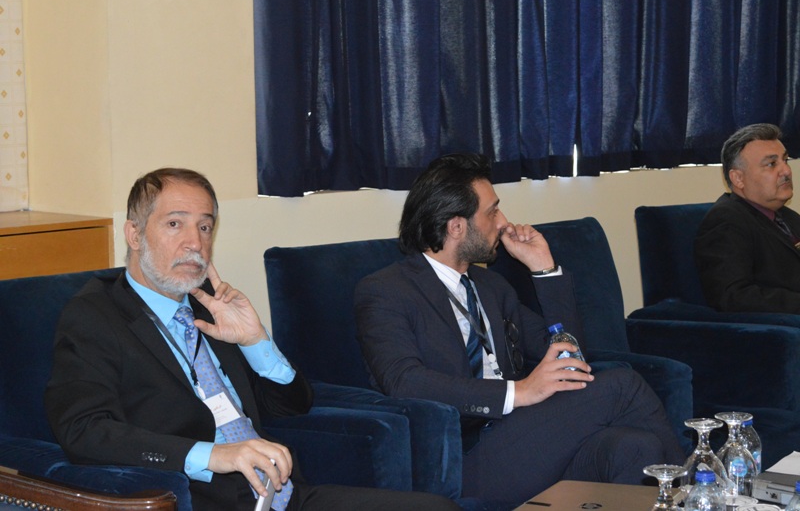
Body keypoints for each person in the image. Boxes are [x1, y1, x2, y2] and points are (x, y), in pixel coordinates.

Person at [45, 168, 459, 511]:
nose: (195, 243)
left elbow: (292, 405)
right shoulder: (96, 316)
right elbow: (84, 430)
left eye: (205, 226)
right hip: (200, 500)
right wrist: (213, 455)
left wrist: (255, 340)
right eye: (175, 224)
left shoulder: (211, 305)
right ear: (134, 235)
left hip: (285, 497)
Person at [354, 153, 684, 509]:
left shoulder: (491, 287)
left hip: (524, 442)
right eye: (492, 212)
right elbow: (404, 381)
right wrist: (519, 391)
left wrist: (545, 269)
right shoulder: (386, 290)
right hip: (460, 458)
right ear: (456, 226)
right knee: (621, 384)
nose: (503, 222)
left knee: (636, 447)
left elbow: (570, 357)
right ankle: (698, 495)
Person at [694, 123, 800, 313]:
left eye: (785, 160)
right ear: (738, 179)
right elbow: (733, 297)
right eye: (771, 164)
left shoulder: (788, 217)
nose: (786, 171)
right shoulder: (726, 221)